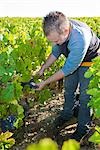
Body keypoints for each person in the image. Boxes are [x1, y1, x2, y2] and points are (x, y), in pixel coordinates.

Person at [35, 11, 100, 142]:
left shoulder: (79, 38)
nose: (56, 43)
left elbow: (68, 69)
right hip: (73, 58)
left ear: (65, 31)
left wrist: (45, 82)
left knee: (85, 97)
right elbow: (55, 52)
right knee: (69, 89)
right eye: (53, 41)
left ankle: (83, 128)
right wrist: (43, 68)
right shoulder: (59, 33)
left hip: (90, 60)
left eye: (57, 40)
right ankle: (66, 114)